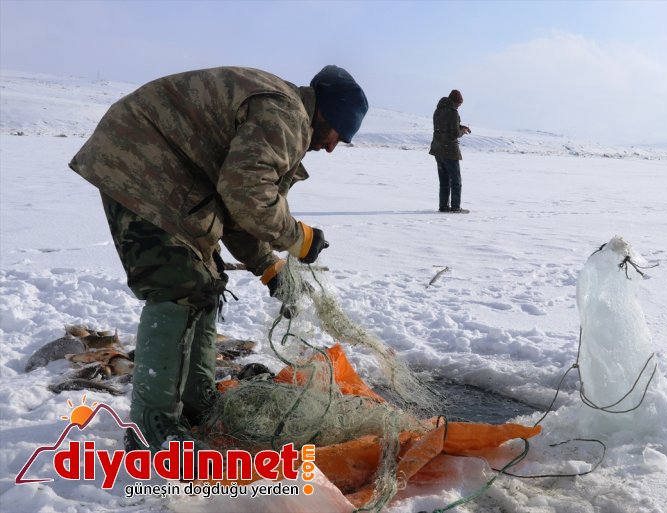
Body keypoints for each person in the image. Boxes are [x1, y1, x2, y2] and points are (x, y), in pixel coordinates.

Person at [68, 65, 368, 452]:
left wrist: (270, 267)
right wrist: (299, 238)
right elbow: (247, 194)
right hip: (144, 162)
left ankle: (195, 399)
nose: (331, 147)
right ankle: (152, 427)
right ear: (325, 114)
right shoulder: (287, 114)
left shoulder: (283, 113)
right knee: (179, 286)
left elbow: (238, 211)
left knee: (205, 284)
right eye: (338, 134)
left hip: (170, 172)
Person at [429, 89, 471, 213]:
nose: (459, 106)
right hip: (449, 151)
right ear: (455, 101)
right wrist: (462, 131)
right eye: (459, 104)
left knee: (444, 180)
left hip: (438, 150)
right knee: (456, 180)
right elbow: (454, 134)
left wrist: (460, 126)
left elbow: (444, 127)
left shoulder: (438, 110)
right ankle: (456, 207)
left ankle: (443, 206)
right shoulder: (453, 112)